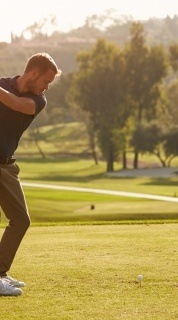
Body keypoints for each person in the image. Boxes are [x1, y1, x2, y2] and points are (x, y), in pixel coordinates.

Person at [0, 53, 61, 296]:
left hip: (6, 167)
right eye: (46, 81)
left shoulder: (38, 100)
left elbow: (16, 104)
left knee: (21, 219)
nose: (47, 87)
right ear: (33, 73)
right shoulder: (3, 83)